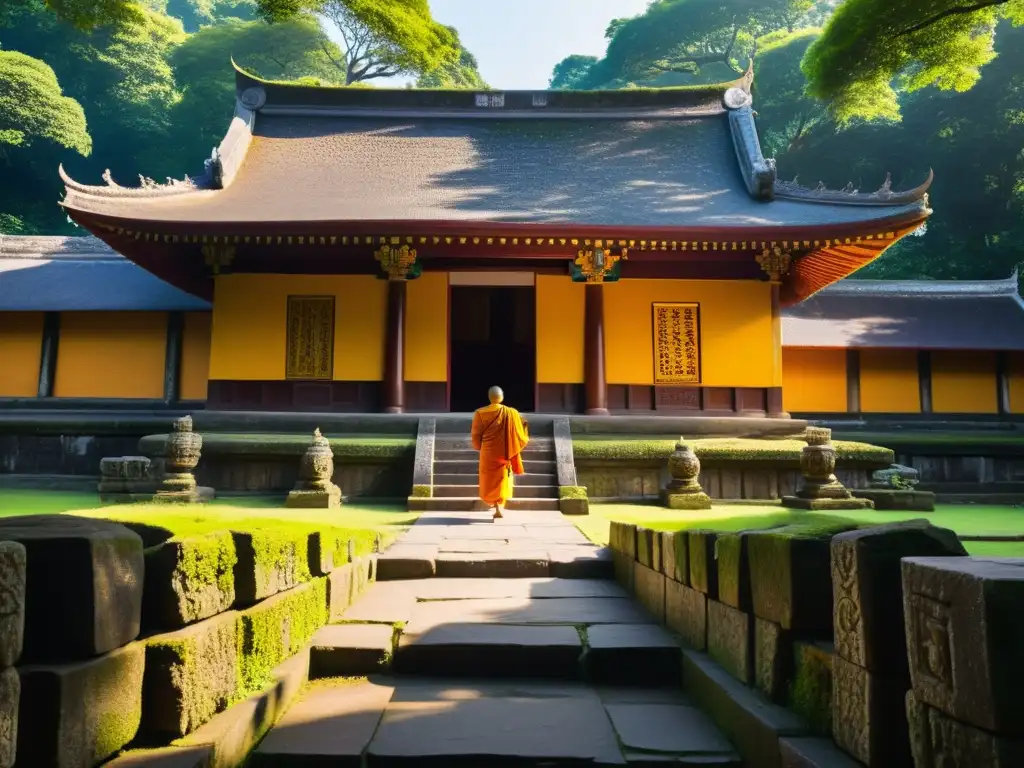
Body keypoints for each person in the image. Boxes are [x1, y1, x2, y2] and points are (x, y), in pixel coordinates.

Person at [470, 385, 529, 520]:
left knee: (489, 479)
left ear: (489, 398)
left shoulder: (480, 412)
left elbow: (476, 434)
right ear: (501, 398)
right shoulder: (513, 413)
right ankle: (499, 506)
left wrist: (479, 446)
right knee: (503, 478)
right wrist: (525, 429)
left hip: (488, 452)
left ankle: (495, 504)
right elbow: (520, 434)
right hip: (505, 452)